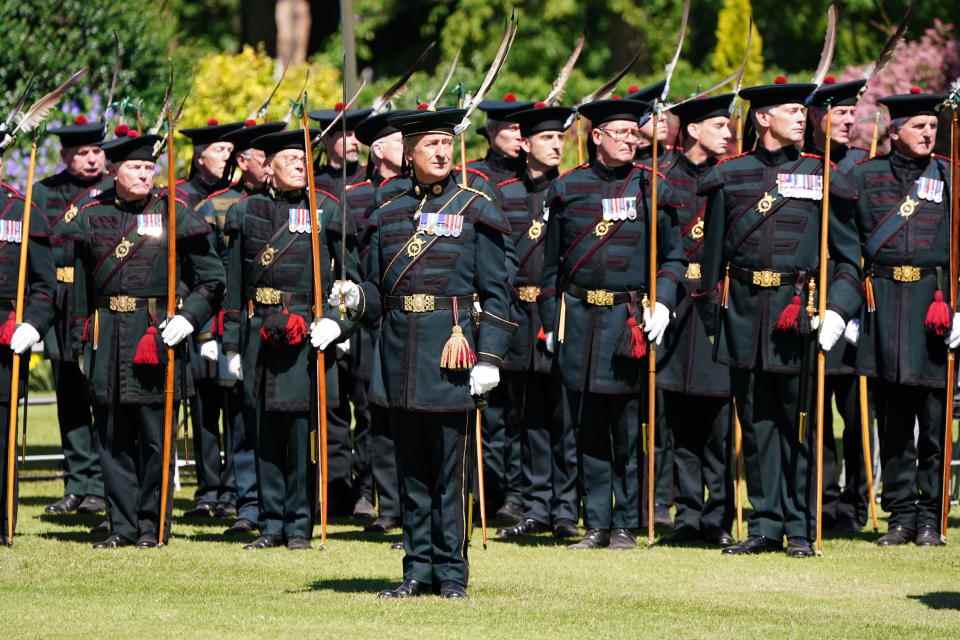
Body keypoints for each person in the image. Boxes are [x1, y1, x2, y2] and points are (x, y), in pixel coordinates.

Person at [331, 107, 516, 599]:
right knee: (409, 472)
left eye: (445, 144)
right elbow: (377, 290)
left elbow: (499, 292)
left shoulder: (476, 206)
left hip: (451, 354)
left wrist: (491, 357)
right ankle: (417, 569)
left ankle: (452, 574)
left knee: (448, 475)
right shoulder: (388, 212)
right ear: (408, 153)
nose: (440, 152)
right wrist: (354, 300)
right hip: (398, 354)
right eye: (430, 145)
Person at [698, 76, 862, 558]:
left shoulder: (824, 173)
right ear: (763, 118)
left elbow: (849, 259)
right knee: (757, 423)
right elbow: (711, 262)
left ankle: (800, 525)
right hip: (746, 315)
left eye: (801, 111)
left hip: (800, 314)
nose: (800, 118)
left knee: (802, 425)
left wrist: (837, 310)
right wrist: (715, 320)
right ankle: (765, 523)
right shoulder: (731, 174)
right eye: (790, 110)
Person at [60, 128, 225, 548]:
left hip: (156, 335)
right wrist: (78, 343)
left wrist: (189, 318)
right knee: (112, 435)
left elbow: (212, 277)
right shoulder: (91, 216)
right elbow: (77, 288)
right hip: (107, 335)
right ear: (114, 170)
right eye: (135, 167)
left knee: (155, 437)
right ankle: (121, 526)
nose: (144, 175)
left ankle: (152, 525)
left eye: (150, 168)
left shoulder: (176, 213)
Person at [539, 98, 685, 550]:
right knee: (588, 428)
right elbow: (550, 271)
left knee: (628, 429)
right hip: (581, 319)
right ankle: (596, 521)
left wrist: (662, 301)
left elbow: (674, 256)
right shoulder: (567, 189)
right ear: (596, 136)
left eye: (634, 133)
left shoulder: (652, 187)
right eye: (619, 133)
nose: (630, 140)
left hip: (629, 320)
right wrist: (550, 326)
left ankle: (626, 522)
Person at [221, 128, 359, 550]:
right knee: (261, 428)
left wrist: (338, 322)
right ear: (268, 167)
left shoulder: (327, 211)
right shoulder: (245, 213)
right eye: (291, 159)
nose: (301, 164)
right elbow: (233, 283)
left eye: (305, 159)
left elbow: (350, 280)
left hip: (307, 331)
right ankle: (270, 521)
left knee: (301, 433)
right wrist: (229, 343)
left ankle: (300, 522)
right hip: (259, 331)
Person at [850, 89, 952, 546]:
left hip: (934, 304)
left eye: (933, 126)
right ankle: (901, 513)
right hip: (885, 300)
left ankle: (931, 514)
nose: (929, 133)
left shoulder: (949, 176)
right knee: (892, 420)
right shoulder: (865, 177)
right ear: (895, 132)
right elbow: (846, 245)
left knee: (933, 421)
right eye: (920, 127)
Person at [197, 119, 287, 535]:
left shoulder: (298, 206)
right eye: (259, 157)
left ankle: (287, 505)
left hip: (287, 323)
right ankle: (246, 502)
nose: (265, 165)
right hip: (237, 322)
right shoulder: (220, 207)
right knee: (242, 419)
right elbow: (215, 275)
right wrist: (212, 335)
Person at [494, 103, 579, 541]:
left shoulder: (571, 190)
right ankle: (535, 505)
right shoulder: (503, 194)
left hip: (557, 312)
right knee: (526, 419)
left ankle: (566, 509)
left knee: (562, 416)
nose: (556, 145)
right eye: (547, 139)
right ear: (525, 144)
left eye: (560, 138)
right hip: (516, 316)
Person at [657, 94, 736, 548]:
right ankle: (686, 514)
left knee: (718, 419)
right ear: (691, 130)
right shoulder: (664, 177)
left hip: (717, 305)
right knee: (680, 417)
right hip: (675, 304)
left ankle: (718, 515)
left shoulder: (731, 178)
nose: (727, 134)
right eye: (719, 125)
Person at [805, 77, 873, 533]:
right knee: (814, 409)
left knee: (856, 412)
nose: (849, 120)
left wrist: (849, 307)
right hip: (810, 298)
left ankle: (858, 501)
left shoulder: (866, 168)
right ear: (817, 117)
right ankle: (822, 499)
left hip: (855, 298)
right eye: (840, 113)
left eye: (853, 113)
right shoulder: (805, 166)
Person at [32, 115, 107, 517]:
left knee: (103, 397)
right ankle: (78, 482)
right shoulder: (42, 194)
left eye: (97, 152)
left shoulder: (113, 192)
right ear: (65, 156)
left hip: (98, 304)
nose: (92, 160)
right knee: (71, 399)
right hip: (60, 305)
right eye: (82, 154)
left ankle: (102, 485)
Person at [347, 110, 413, 533]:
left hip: (411, 317)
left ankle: (411, 507)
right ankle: (386, 505)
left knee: (410, 414)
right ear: (378, 150)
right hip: (371, 320)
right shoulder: (353, 196)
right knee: (376, 415)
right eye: (398, 142)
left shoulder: (417, 193)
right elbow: (351, 259)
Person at [468, 92, 532, 526]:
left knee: (520, 414)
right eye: (511, 129)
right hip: (483, 305)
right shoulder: (472, 178)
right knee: (487, 413)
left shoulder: (535, 180)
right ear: (491, 134)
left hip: (525, 308)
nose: (519, 138)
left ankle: (518, 493)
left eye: (523, 130)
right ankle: (485, 494)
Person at [177, 118, 245, 518]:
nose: (227, 157)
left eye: (229, 151)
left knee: (235, 405)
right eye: (219, 150)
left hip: (232, 315)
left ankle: (235, 487)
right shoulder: (182, 197)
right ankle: (208, 488)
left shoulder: (233, 199)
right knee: (204, 407)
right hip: (200, 312)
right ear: (200, 156)